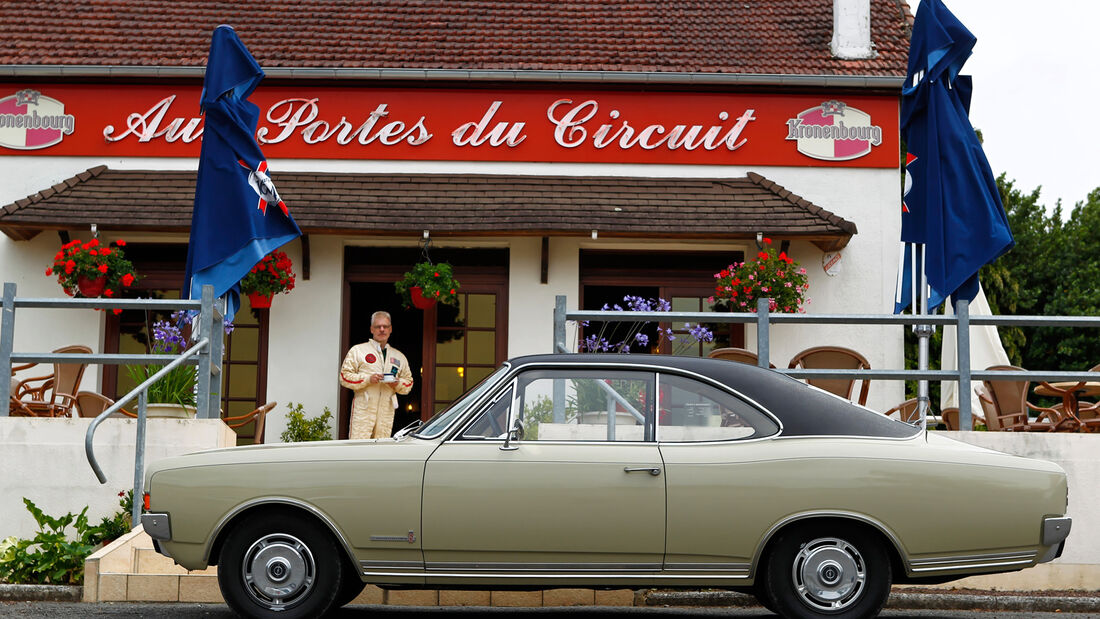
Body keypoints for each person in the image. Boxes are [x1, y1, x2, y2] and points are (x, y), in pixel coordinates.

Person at [339, 311, 414, 439]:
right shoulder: (358, 351)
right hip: (364, 411)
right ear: (371, 329)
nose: (382, 329)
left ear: (390, 329)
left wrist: (397, 384)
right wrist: (368, 379)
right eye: (378, 326)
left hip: (386, 412)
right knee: (358, 448)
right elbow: (344, 377)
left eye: (385, 326)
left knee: (381, 450)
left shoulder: (399, 357)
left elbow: (408, 383)